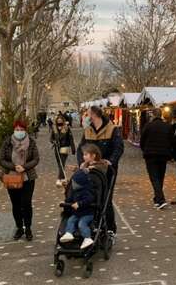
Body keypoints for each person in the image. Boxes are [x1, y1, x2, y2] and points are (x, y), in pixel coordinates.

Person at [76, 106, 124, 236]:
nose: (86, 116)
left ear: (94, 115)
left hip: (106, 169)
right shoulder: (88, 130)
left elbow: (118, 147)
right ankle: (94, 224)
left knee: (105, 198)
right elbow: (81, 148)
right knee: (91, 197)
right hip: (90, 170)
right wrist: (81, 162)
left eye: (88, 114)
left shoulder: (112, 129)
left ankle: (110, 228)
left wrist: (111, 161)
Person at [0, 119, 40, 241]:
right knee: (15, 204)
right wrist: (14, 167)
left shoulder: (31, 142)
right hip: (12, 176)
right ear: (13, 130)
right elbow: (1, 159)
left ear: (25, 130)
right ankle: (19, 227)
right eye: (17, 129)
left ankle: (28, 228)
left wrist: (24, 167)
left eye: (21, 129)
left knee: (26, 203)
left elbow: (36, 159)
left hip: (28, 177)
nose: (19, 132)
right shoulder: (7, 142)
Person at [140, 108, 172, 209]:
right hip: (163, 155)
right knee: (160, 177)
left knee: (154, 177)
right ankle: (157, 199)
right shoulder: (167, 126)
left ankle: (160, 199)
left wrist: (144, 149)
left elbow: (142, 140)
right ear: (161, 115)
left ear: (153, 115)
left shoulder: (148, 126)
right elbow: (171, 140)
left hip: (150, 155)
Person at [59, 169, 95, 249]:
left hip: (87, 213)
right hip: (77, 213)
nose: (73, 184)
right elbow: (70, 199)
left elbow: (89, 200)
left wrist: (79, 204)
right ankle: (69, 233)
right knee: (70, 220)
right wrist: (65, 203)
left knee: (81, 224)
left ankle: (87, 238)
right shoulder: (74, 191)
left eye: (75, 183)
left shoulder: (87, 191)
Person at [51, 115, 76, 186]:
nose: (59, 122)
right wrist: (53, 141)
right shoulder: (54, 128)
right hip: (56, 148)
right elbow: (51, 138)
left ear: (63, 121)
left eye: (60, 120)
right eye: (58, 121)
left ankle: (59, 179)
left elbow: (71, 139)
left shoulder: (67, 128)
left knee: (62, 162)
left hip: (64, 147)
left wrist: (73, 148)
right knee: (59, 164)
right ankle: (62, 178)